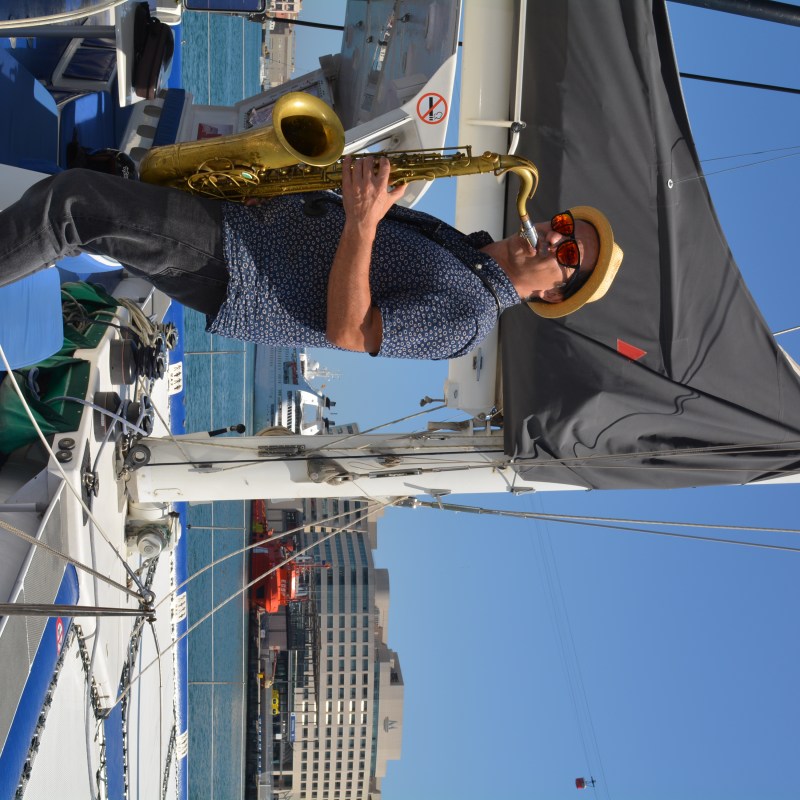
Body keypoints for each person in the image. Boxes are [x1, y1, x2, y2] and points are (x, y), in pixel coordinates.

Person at [0, 155, 623, 360]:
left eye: (565, 252)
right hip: (244, 227)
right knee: (88, 196)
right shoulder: (463, 251)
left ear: (551, 294)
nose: (549, 236)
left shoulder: (470, 318)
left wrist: (361, 220)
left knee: (73, 206)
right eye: (563, 227)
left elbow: (349, 332)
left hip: (241, 269)